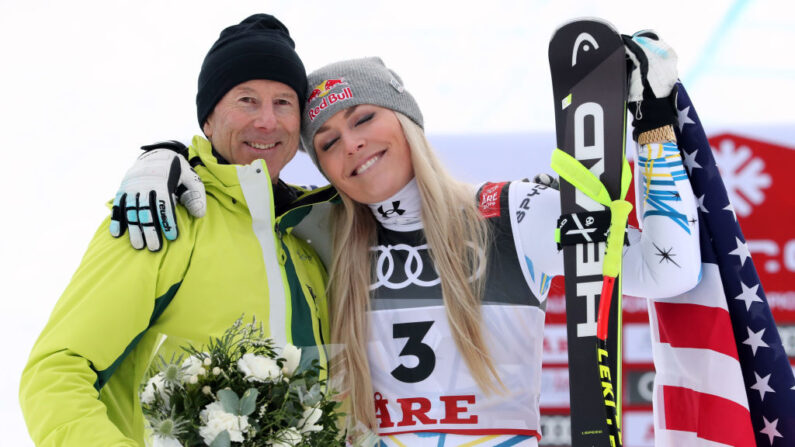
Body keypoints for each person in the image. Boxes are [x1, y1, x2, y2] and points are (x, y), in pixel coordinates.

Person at [104, 34, 699, 446]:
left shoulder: (510, 212)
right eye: (328, 142)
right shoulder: (318, 229)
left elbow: (667, 270)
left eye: (364, 119)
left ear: (406, 121)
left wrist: (653, 125)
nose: (352, 145)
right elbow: (232, 185)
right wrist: (162, 159)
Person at [19, 14, 337, 446]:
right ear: (208, 119)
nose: (267, 121)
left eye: (284, 103)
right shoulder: (159, 213)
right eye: (246, 100)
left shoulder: (314, 228)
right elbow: (56, 371)